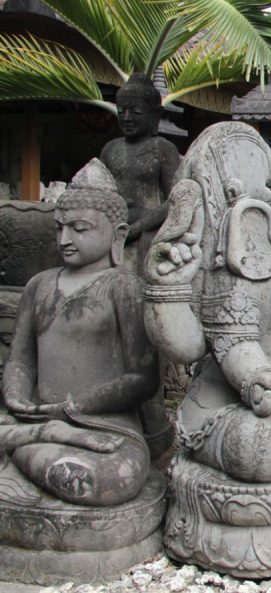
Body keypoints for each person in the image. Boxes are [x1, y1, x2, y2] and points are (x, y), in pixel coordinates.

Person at [0, 159, 160, 506]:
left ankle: (25, 450)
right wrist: (16, 397)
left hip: (101, 427)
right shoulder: (38, 285)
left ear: (117, 235)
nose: (65, 239)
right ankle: (38, 436)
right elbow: (21, 360)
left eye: (79, 228)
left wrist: (73, 409)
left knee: (94, 479)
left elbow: (143, 378)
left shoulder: (124, 287)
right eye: (59, 228)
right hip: (34, 418)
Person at [99, 73, 181, 273]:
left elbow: (176, 199)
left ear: (155, 114)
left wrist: (136, 229)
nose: (126, 117)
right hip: (111, 230)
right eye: (121, 111)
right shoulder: (110, 149)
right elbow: (98, 194)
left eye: (135, 111)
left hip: (148, 232)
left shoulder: (163, 149)